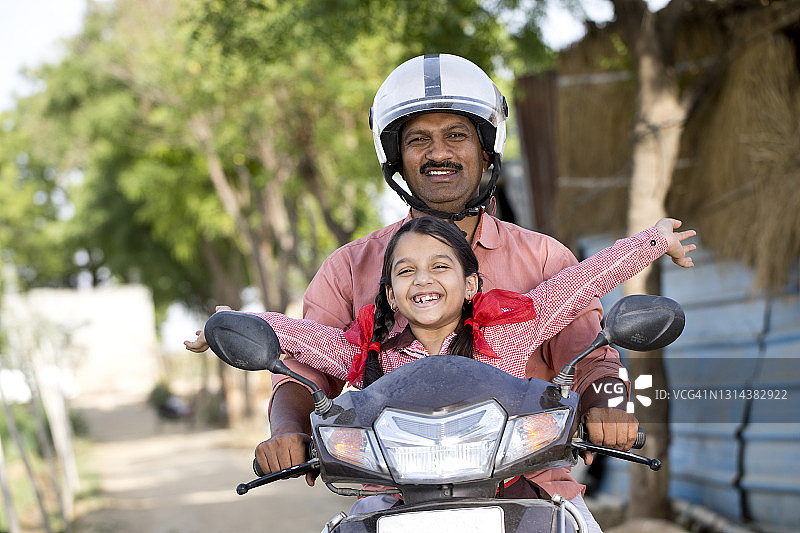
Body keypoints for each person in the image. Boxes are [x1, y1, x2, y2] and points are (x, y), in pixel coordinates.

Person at [184, 53, 691, 529]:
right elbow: (302, 358)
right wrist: (282, 423)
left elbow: (591, 348)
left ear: (472, 283)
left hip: (531, 488)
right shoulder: (360, 309)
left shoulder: (527, 293)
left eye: (456, 135)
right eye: (418, 140)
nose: (439, 153)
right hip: (389, 494)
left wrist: (608, 408)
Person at [188, 215, 694, 530]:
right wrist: (225, 326)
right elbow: (291, 334)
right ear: (390, 293)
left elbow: (582, 283)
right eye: (405, 271)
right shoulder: (361, 352)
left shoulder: (512, 328)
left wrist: (653, 241)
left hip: (514, 486)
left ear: (471, 283)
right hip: (394, 497)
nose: (422, 280)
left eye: (440, 266)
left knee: (578, 527)